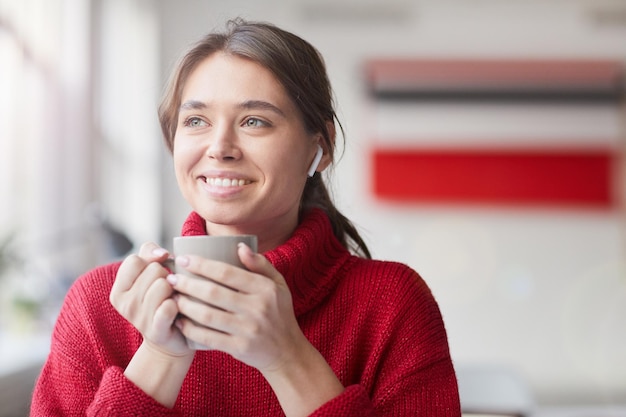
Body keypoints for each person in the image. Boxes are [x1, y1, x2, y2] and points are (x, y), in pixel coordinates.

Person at [31, 18, 460, 416]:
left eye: (255, 121)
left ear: (321, 147)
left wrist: (287, 357)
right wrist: (160, 357)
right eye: (196, 120)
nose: (220, 147)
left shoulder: (393, 304)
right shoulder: (97, 305)